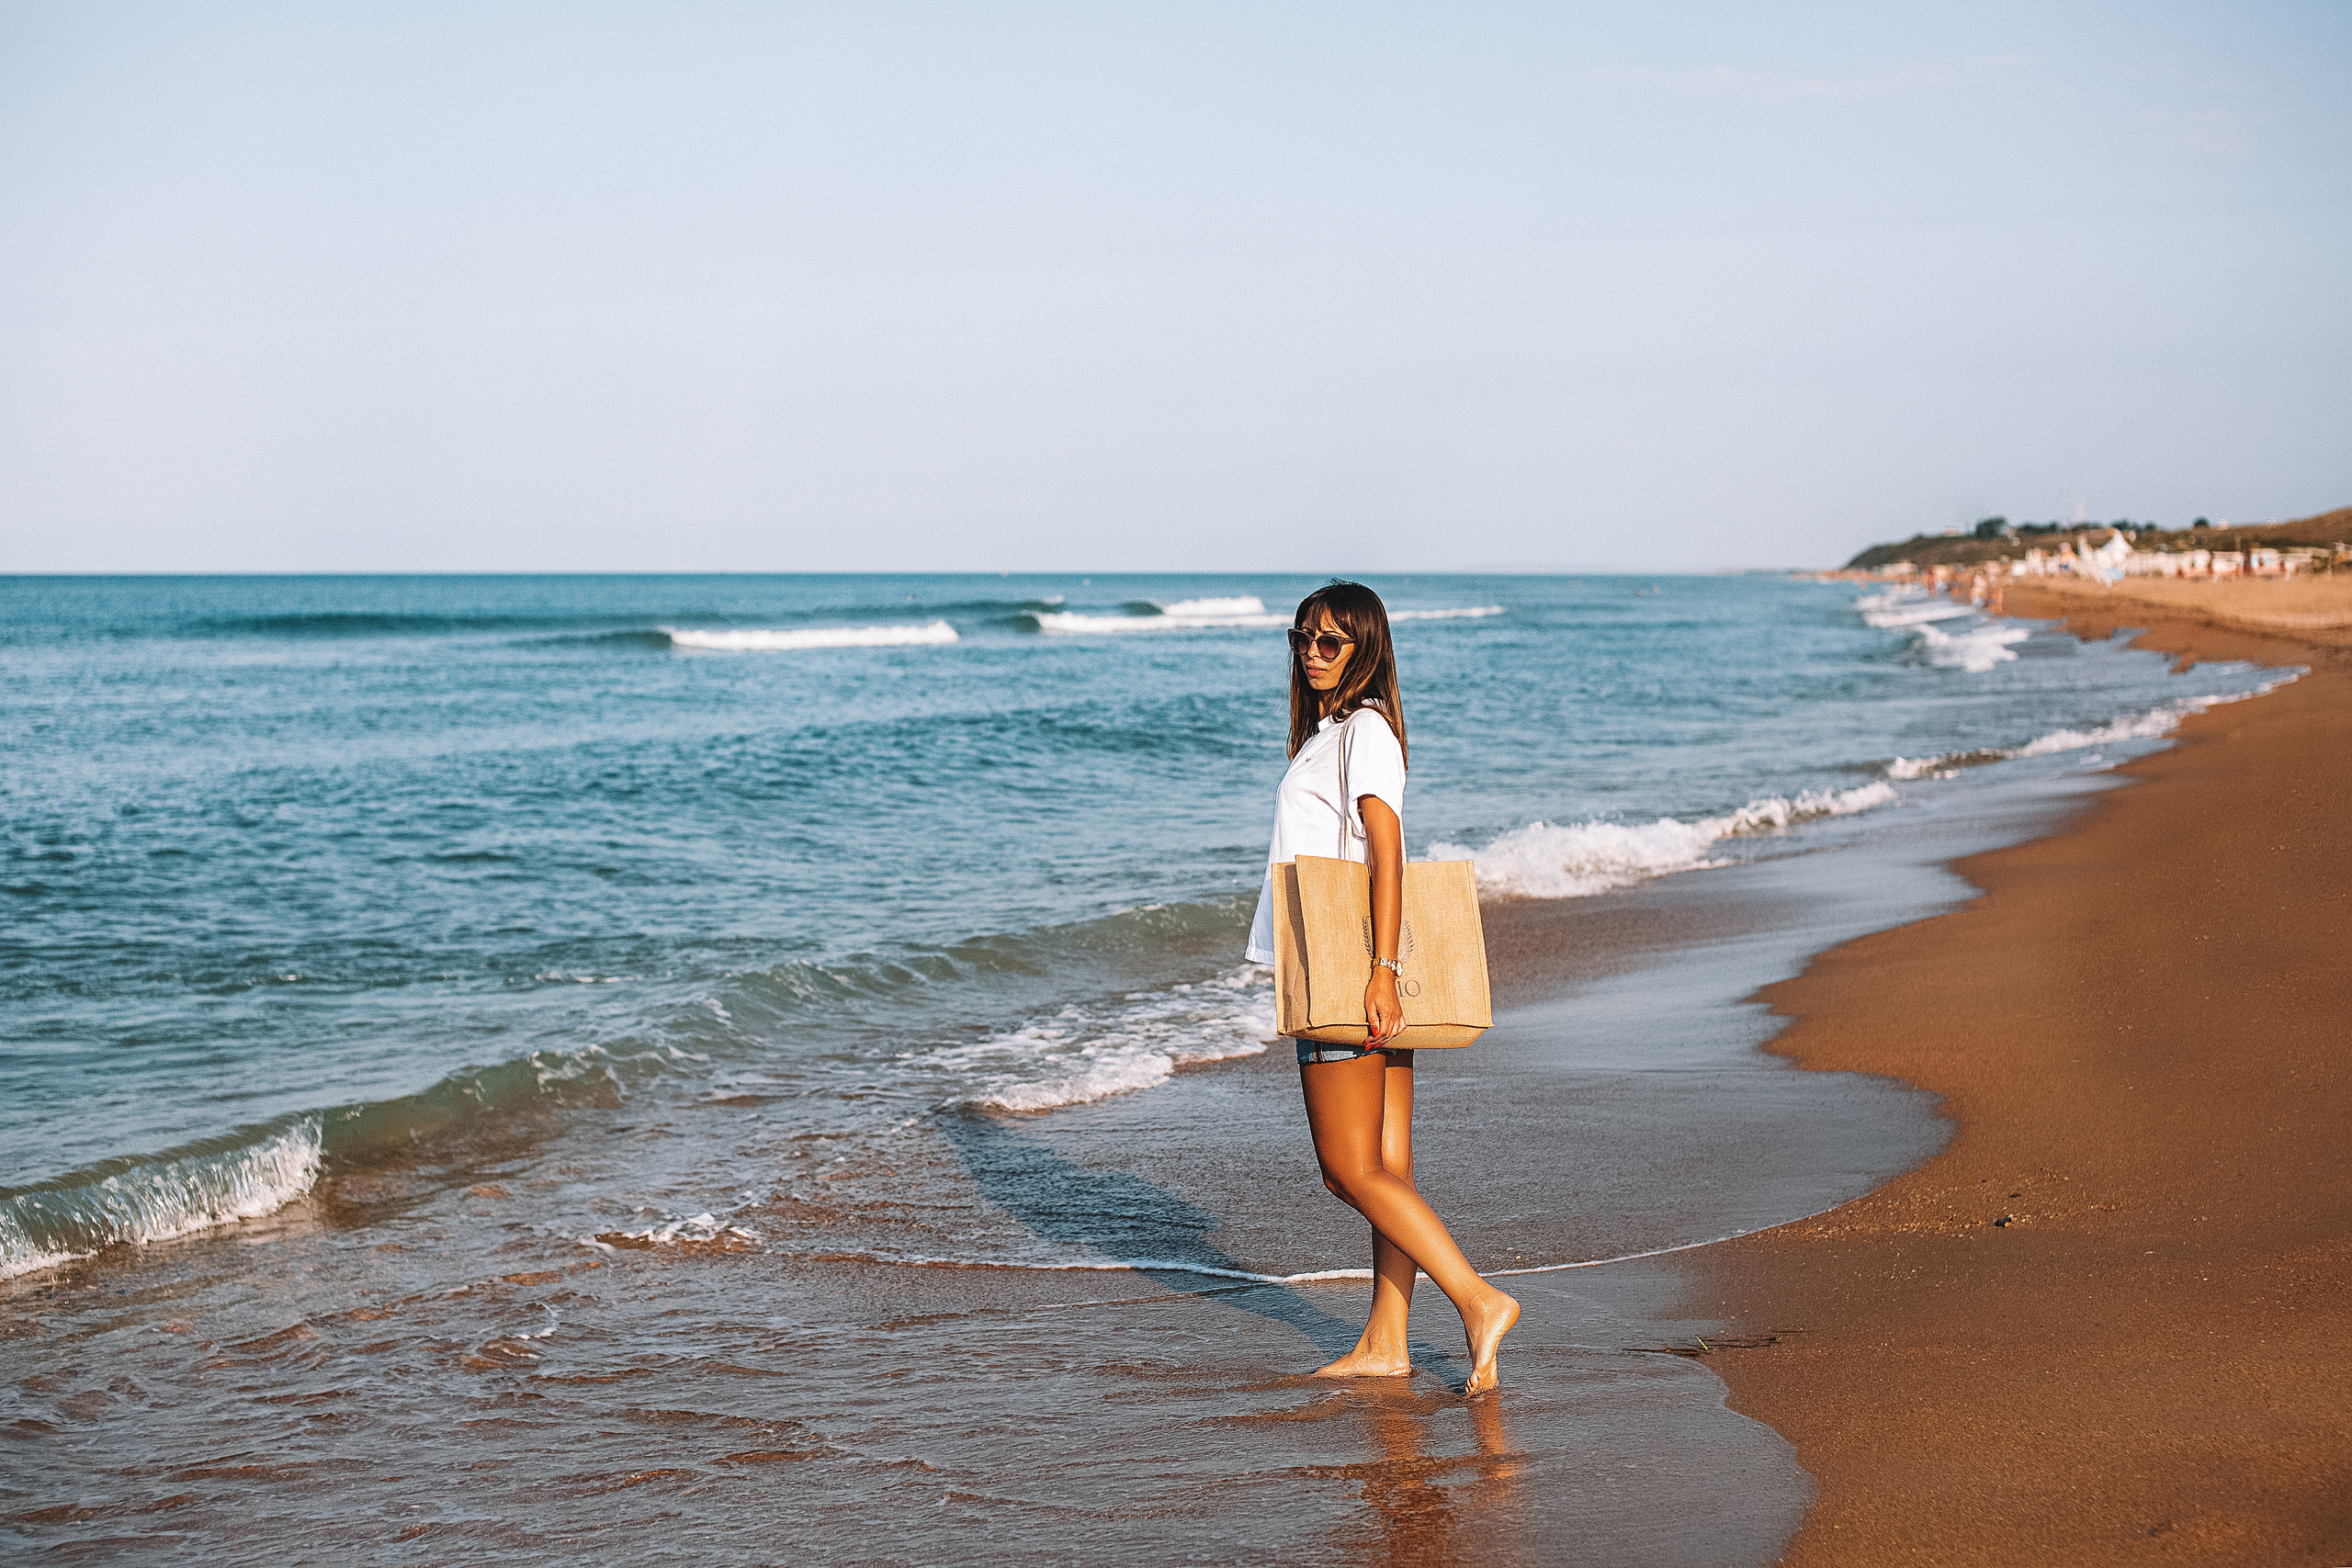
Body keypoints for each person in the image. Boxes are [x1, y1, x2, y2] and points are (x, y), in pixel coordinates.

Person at [1245, 581, 1521, 1394]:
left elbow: (1386, 845)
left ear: (1366, 648)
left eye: (1331, 641)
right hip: (1367, 973)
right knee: (1386, 1167)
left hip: (1351, 971)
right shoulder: (1336, 731)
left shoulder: (1362, 730)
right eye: (1303, 637)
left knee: (1346, 1169)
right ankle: (1387, 1339)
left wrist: (1382, 969)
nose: (1312, 652)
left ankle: (1476, 1298)